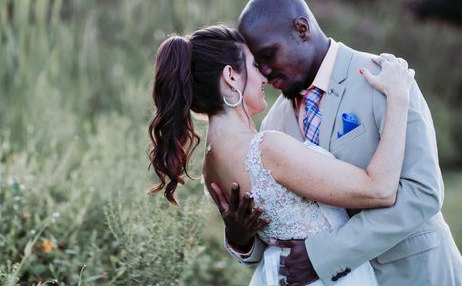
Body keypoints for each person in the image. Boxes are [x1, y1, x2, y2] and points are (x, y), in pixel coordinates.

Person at [211, 0, 462, 285]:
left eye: (269, 55)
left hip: (416, 273)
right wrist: (241, 238)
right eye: (258, 63)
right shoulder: (273, 124)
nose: (265, 73)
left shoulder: (384, 79)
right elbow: (282, 226)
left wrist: (327, 255)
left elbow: (423, 192)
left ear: (302, 29)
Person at [148, 24, 415, 285]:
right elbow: (379, 188)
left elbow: (263, 237)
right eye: (254, 65)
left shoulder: (210, 166)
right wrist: (399, 98)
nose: (265, 76)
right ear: (230, 76)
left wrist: (239, 241)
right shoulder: (267, 149)